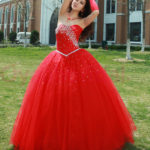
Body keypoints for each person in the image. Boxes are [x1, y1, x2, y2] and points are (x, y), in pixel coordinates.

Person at [9, 0, 137, 150]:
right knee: (51, 98)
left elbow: (96, 12)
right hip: (56, 60)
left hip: (76, 59)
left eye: (81, 2)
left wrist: (89, 2)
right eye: (76, 0)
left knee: (76, 97)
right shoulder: (62, 14)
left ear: (84, 8)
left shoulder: (83, 21)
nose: (77, 2)